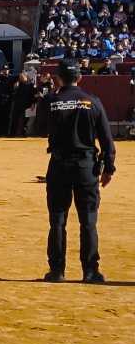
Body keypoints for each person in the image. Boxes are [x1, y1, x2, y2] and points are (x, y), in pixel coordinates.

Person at [35, 58, 116, 283]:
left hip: (59, 164)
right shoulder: (92, 101)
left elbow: (39, 129)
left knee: (58, 219)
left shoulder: (51, 101)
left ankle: (57, 270)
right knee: (88, 220)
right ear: (80, 77)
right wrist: (109, 167)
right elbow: (107, 139)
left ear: (58, 78)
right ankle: (90, 270)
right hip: (86, 166)